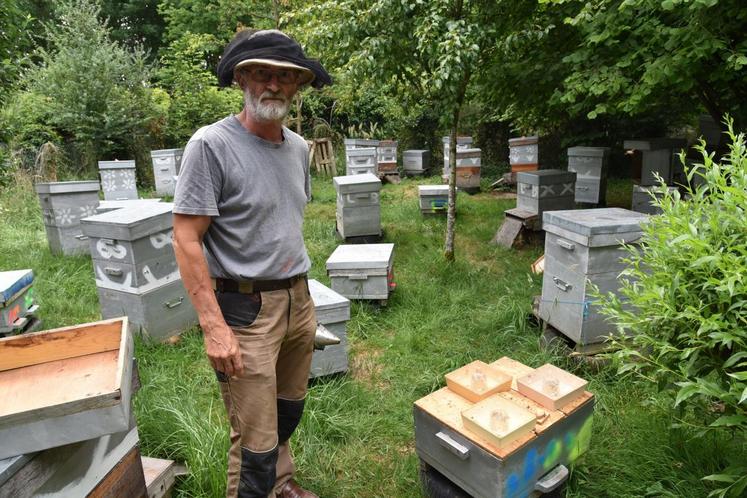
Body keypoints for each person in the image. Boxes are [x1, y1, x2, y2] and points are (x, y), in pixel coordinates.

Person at [172, 29, 331, 498]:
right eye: (264, 73)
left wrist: (301, 302)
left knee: (286, 411)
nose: (275, 85)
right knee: (254, 439)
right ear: (241, 77)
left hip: (298, 299)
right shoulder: (211, 145)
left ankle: (282, 486)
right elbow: (185, 237)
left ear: (298, 86)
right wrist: (213, 327)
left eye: (287, 77)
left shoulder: (299, 149)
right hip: (245, 310)